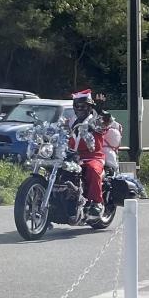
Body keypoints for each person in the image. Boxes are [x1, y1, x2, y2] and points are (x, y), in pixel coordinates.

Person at [68, 89, 109, 218]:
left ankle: (97, 203)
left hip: (93, 157)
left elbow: (105, 123)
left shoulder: (95, 120)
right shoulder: (70, 121)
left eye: (83, 106)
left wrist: (101, 111)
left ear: (90, 107)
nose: (80, 109)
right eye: (77, 106)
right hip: (72, 157)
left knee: (92, 169)